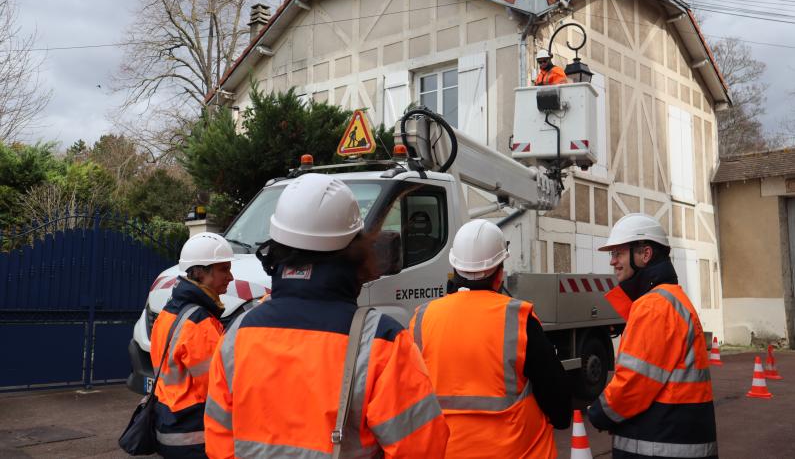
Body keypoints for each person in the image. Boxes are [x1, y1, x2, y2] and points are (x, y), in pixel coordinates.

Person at [204, 173, 449, 458]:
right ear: (357, 249)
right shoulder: (382, 343)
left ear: (276, 245)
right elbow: (423, 448)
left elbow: (220, 443)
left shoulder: (237, 334)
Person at [409, 219, 571, 459]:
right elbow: (558, 401)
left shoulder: (421, 319)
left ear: (454, 268)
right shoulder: (518, 318)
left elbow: (408, 398)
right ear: (499, 274)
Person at [587, 213, 717, 459]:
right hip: (677, 438)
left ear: (645, 255)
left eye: (619, 253)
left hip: (659, 444)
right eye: (611, 255)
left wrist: (600, 413)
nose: (612, 262)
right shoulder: (672, 298)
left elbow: (633, 383)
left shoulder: (654, 305)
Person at [150, 232, 235, 458]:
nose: (231, 276)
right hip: (193, 433)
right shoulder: (199, 322)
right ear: (201, 272)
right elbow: (220, 385)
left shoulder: (169, 312)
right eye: (224, 269)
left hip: (169, 423)